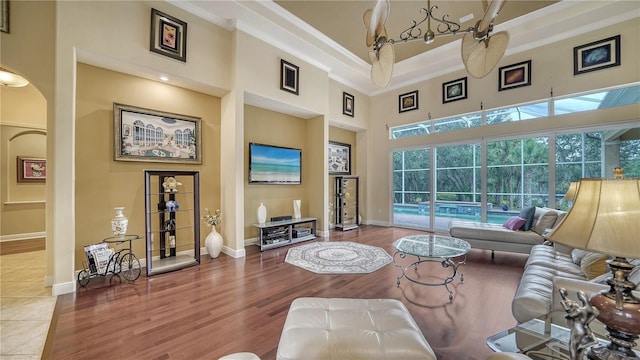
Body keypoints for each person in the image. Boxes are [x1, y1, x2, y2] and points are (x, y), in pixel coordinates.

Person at [559, 288, 599, 360]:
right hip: (585, 329)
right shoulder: (594, 310)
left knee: (573, 347)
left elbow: (570, 314)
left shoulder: (579, 310)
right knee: (580, 350)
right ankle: (589, 341)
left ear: (580, 298)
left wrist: (568, 312)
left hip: (577, 330)